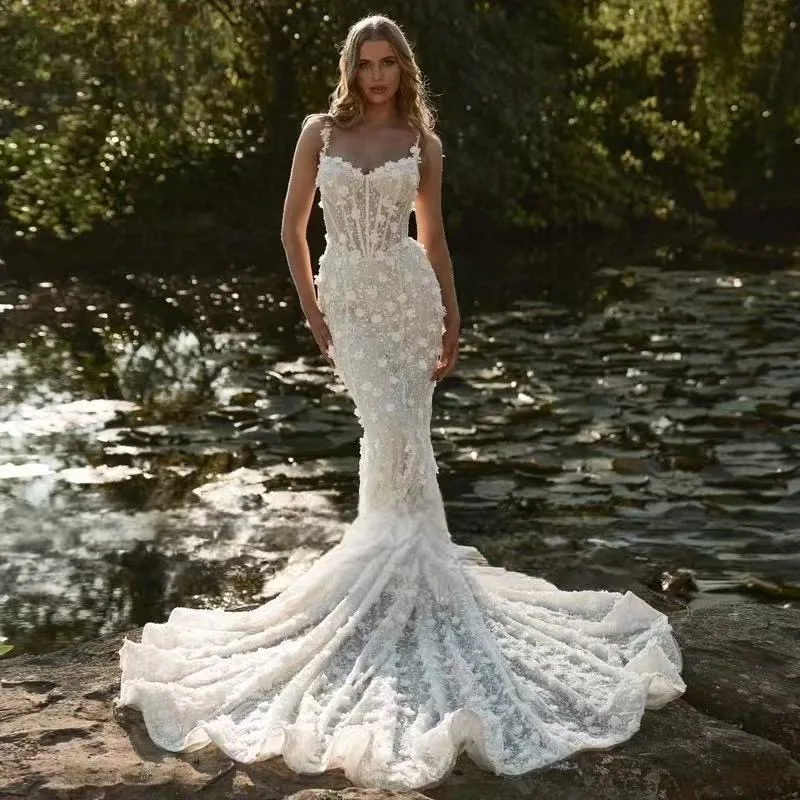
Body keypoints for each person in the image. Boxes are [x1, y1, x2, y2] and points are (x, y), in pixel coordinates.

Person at [116, 14, 686, 792]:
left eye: (388, 64)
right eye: (366, 62)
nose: (377, 76)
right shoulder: (318, 133)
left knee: (406, 444)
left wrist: (453, 313)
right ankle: (379, 591)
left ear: (402, 69)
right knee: (384, 437)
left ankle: (411, 591)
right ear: (350, 67)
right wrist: (313, 311)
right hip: (350, 300)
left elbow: (435, 234)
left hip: (409, 300)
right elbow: (290, 231)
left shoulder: (425, 140)